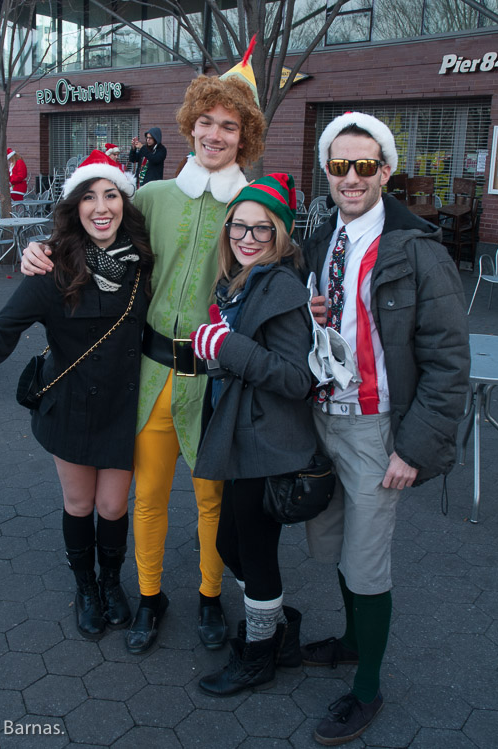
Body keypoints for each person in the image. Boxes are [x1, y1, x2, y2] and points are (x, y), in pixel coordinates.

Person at [20, 51, 266, 655]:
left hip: (214, 377)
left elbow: (282, 266)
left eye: (229, 125)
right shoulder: (152, 196)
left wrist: (308, 307)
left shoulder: (252, 205)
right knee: (148, 496)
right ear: (189, 125)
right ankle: (150, 597)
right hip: (150, 372)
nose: (214, 133)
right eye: (206, 121)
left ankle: (210, 595)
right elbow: (91, 226)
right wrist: (40, 249)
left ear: (245, 136)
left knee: (211, 497)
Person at [0, 151, 153, 640]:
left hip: (123, 405)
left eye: (111, 195)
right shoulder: (52, 269)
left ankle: (112, 582)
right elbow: (1, 332)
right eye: (89, 197)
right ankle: (86, 586)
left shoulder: (144, 265)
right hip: (68, 406)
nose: (101, 206)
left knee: (113, 507)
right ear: (75, 207)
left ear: (125, 204)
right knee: (80, 503)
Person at [301, 112, 470, 745]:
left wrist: (414, 449)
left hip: (377, 432)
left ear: (386, 171)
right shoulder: (323, 238)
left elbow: (450, 362)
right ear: (327, 170)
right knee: (335, 547)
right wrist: (313, 305)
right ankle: (350, 642)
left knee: (368, 565)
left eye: (364, 165)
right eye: (340, 165)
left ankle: (366, 689)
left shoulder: (419, 251)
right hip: (322, 417)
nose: (351, 177)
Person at [191, 174, 317, 696]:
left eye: (260, 230)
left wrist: (225, 349)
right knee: (229, 543)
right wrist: (216, 352)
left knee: (253, 553)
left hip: (268, 445)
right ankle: (279, 628)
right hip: (243, 435)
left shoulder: (281, 286)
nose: (246, 237)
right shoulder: (241, 279)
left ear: (280, 235)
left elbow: (296, 379)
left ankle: (260, 654)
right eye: (239, 226)